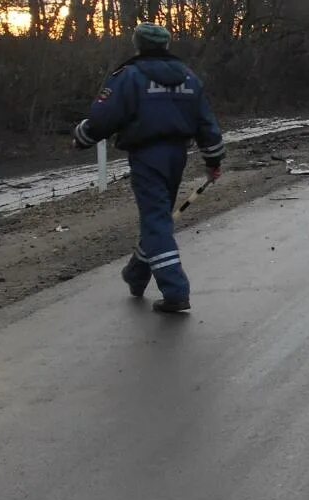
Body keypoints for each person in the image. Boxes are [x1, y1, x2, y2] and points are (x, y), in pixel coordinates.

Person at [73, 23, 225, 314]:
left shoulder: (130, 76)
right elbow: (206, 122)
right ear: (166, 46)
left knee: (156, 220)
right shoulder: (189, 77)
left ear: (138, 46)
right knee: (159, 218)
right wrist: (213, 161)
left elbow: (105, 116)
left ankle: (175, 290)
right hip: (177, 155)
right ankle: (136, 274)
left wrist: (82, 137)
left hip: (146, 155)